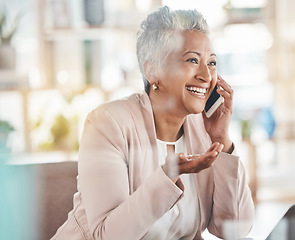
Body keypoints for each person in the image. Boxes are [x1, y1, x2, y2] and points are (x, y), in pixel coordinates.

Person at [51, 6, 254, 240]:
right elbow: (107, 236)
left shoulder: (203, 129)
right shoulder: (107, 124)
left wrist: (222, 141)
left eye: (212, 63)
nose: (207, 76)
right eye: (192, 60)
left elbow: (237, 230)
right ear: (152, 70)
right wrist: (168, 175)